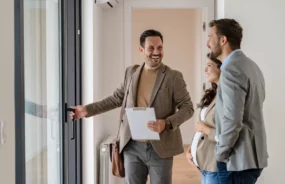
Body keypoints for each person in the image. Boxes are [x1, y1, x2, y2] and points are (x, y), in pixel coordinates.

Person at [70, 29, 194, 184]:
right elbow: (116, 99)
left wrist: (166, 123)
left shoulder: (173, 76)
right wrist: (87, 110)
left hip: (161, 148)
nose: (156, 52)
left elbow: (188, 108)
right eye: (151, 48)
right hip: (132, 146)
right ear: (141, 50)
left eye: (160, 47)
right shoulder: (131, 73)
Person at [207, 18, 268, 184]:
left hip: (236, 161)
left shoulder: (231, 69)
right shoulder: (252, 66)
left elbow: (232, 120)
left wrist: (220, 154)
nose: (208, 43)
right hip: (252, 158)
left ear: (223, 39)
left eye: (210, 37)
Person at [186, 53, 222, 184]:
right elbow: (201, 126)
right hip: (203, 164)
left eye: (209, 66)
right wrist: (191, 149)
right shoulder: (212, 93)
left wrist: (203, 128)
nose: (205, 70)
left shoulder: (227, 96)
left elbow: (225, 134)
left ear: (221, 68)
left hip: (215, 165)